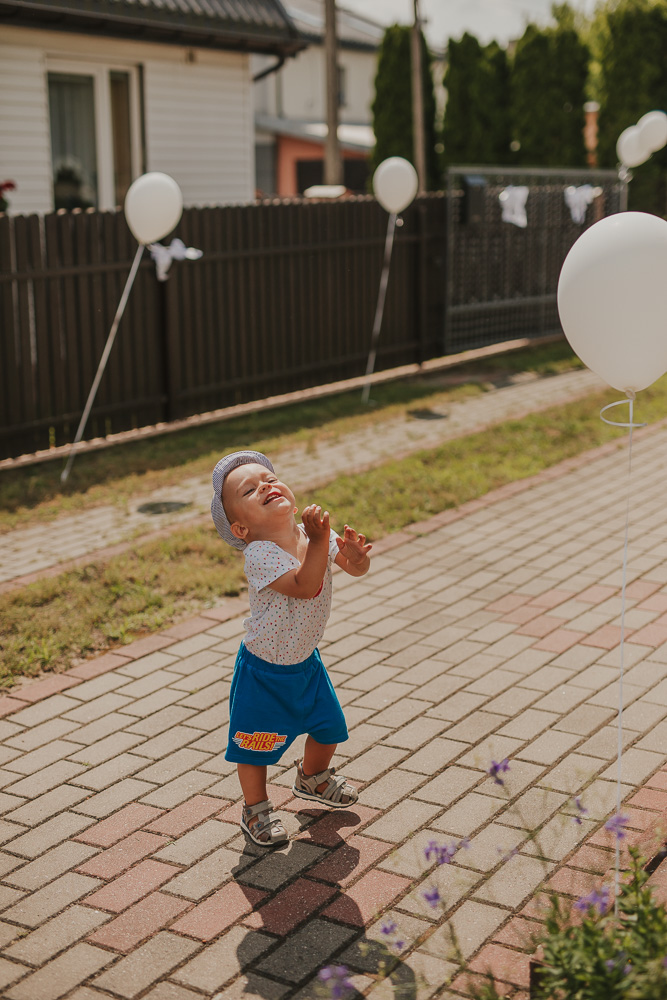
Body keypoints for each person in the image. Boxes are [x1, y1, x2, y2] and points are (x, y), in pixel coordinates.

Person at [210, 450, 372, 847]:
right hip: (263, 671)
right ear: (241, 528)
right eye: (250, 489)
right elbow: (305, 586)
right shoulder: (260, 555)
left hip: (305, 663)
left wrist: (354, 556)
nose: (265, 485)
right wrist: (319, 541)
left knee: (329, 730)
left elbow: (353, 568)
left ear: (291, 500)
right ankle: (256, 808)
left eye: (270, 477)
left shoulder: (310, 536)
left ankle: (313, 778)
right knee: (254, 747)